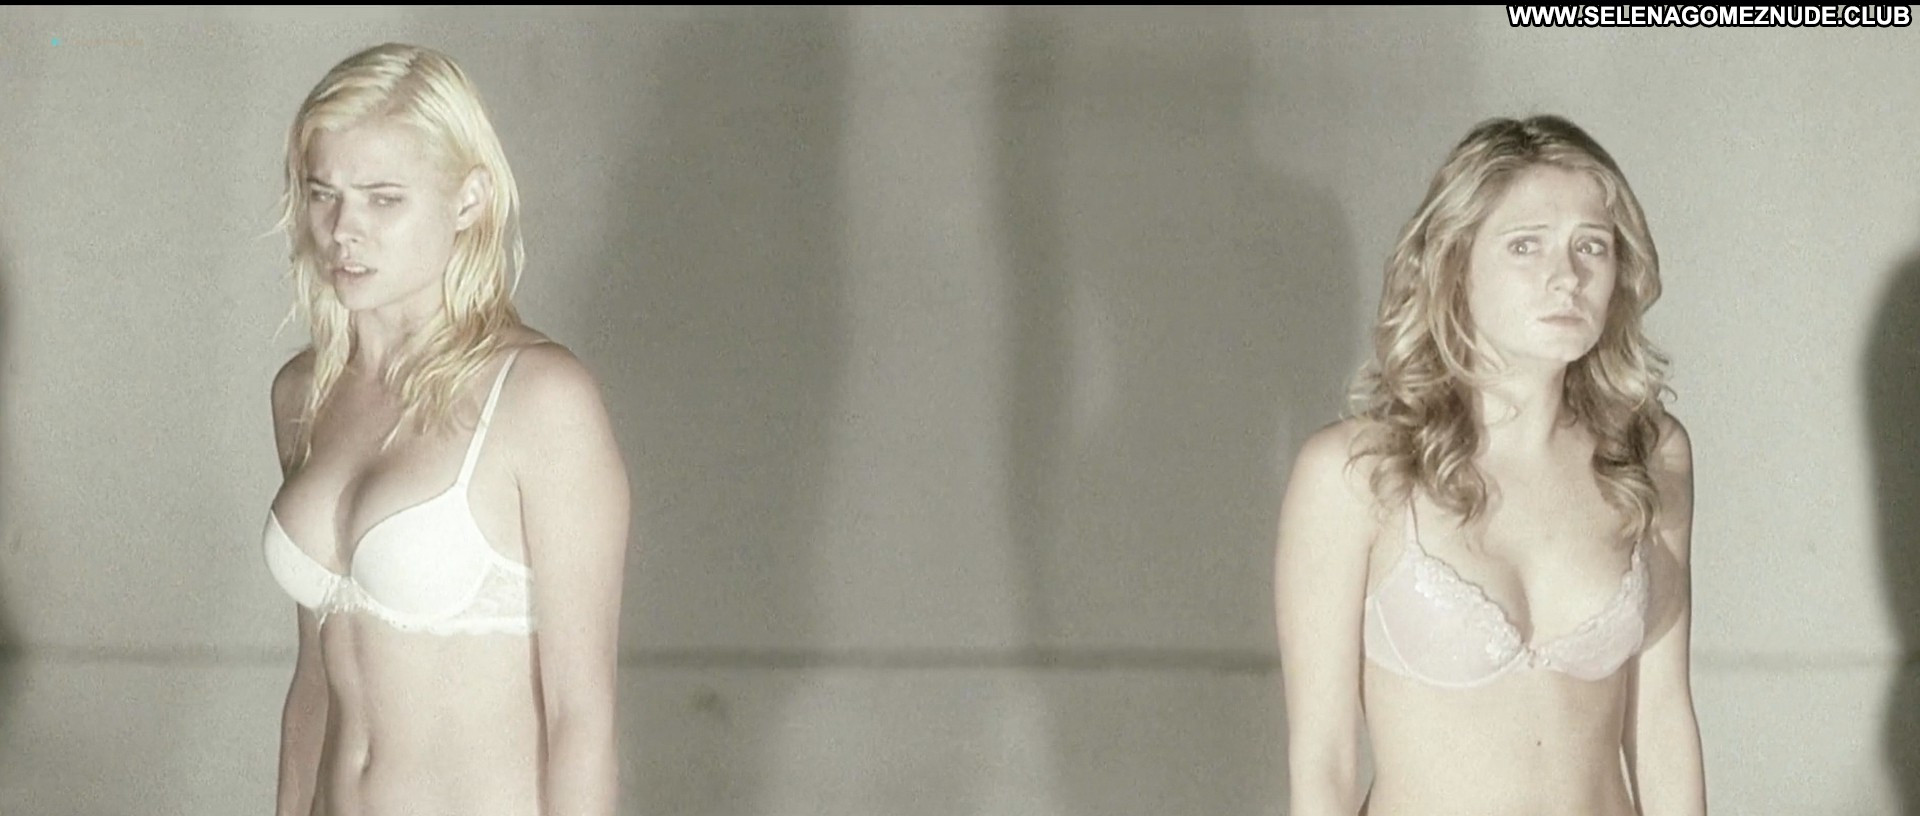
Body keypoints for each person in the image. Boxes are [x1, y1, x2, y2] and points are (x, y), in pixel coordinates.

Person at [1272, 115, 1708, 815]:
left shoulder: (1650, 456)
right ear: (1454, 266)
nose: (1566, 277)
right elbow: (1324, 763)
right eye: (1525, 245)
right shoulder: (1355, 473)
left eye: (1591, 246)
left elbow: (1662, 725)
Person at [260, 43, 629, 816]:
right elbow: (315, 683)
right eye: (324, 194)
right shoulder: (304, 393)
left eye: (383, 199)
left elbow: (581, 716)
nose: (344, 230)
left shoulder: (539, 398)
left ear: (469, 200)